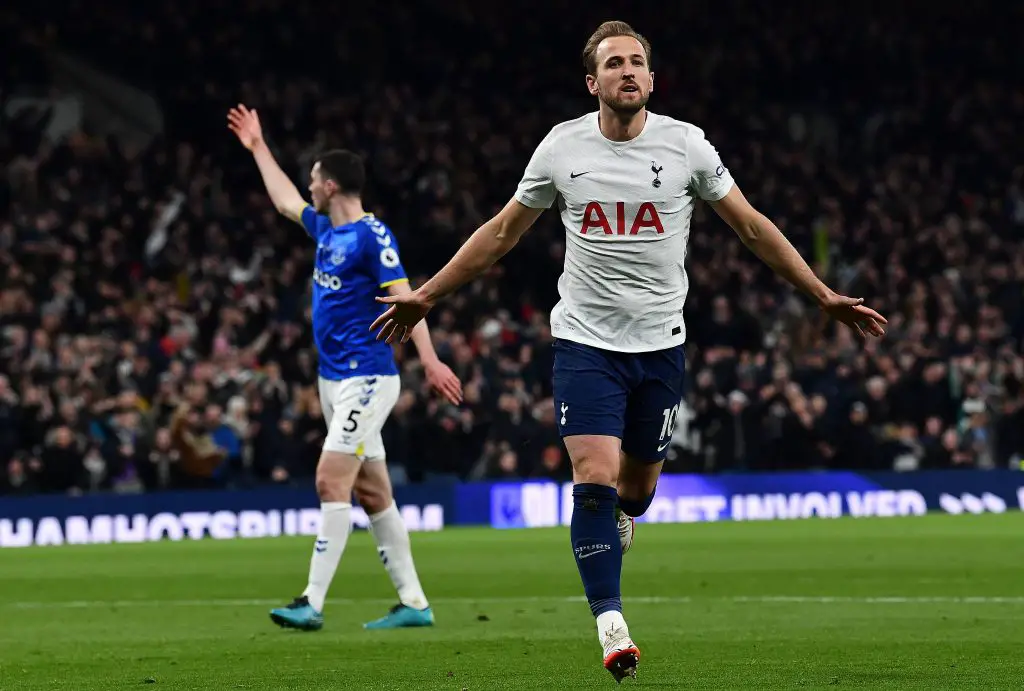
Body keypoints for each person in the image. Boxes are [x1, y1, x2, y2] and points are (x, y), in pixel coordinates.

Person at [369, 21, 887, 681]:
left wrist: (820, 293)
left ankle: (625, 519)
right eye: (614, 63)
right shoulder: (562, 149)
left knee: (635, 493)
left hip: (661, 347)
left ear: (651, 77)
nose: (628, 71)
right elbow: (502, 232)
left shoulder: (687, 147)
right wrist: (428, 295)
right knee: (594, 475)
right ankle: (611, 624)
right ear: (593, 82)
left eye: (637, 62)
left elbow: (752, 226)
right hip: (585, 343)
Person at [227, 105, 463, 631]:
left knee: (330, 481)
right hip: (333, 381)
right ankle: (415, 604)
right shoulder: (325, 233)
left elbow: (407, 300)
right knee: (374, 492)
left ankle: (310, 601)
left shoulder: (371, 238)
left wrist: (429, 360)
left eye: (314, 178)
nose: (308, 187)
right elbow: (286, 201)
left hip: (368, 377)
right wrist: (257, 147)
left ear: (331, 185)